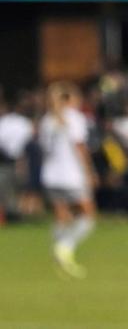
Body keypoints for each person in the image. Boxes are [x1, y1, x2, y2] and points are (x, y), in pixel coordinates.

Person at [38, 81, 97, 278]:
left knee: (62, 217)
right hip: (71, 175)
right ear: (70, 99)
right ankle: (64, 248)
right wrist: (89, 172)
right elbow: (80, 147)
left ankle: (58, 252)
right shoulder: (74, 118)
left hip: (50, 176)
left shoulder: (47, 120)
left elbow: (44, 149)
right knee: (88, 217)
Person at [0, 91, 35, 225]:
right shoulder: (24, 122)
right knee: (18, 188)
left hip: (8, 160)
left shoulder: (6, 122)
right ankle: (15, 214)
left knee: (8, 188)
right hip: (20, 159)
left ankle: (13, 213)